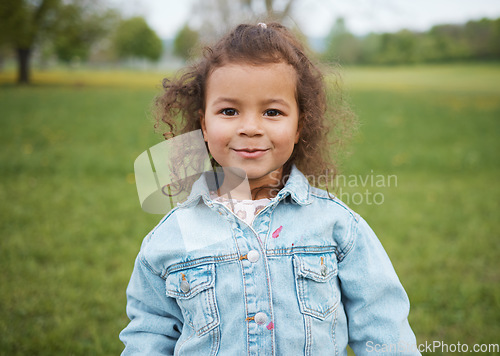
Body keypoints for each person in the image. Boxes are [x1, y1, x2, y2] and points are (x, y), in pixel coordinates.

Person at [120, 22, 420, 355]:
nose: (250, 127)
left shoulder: (338, 228)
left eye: (272, 112)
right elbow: (148, 336)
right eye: (229, 111)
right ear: (204, 125)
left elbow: (384, 331)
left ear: (298, 126)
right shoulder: (169, 238)